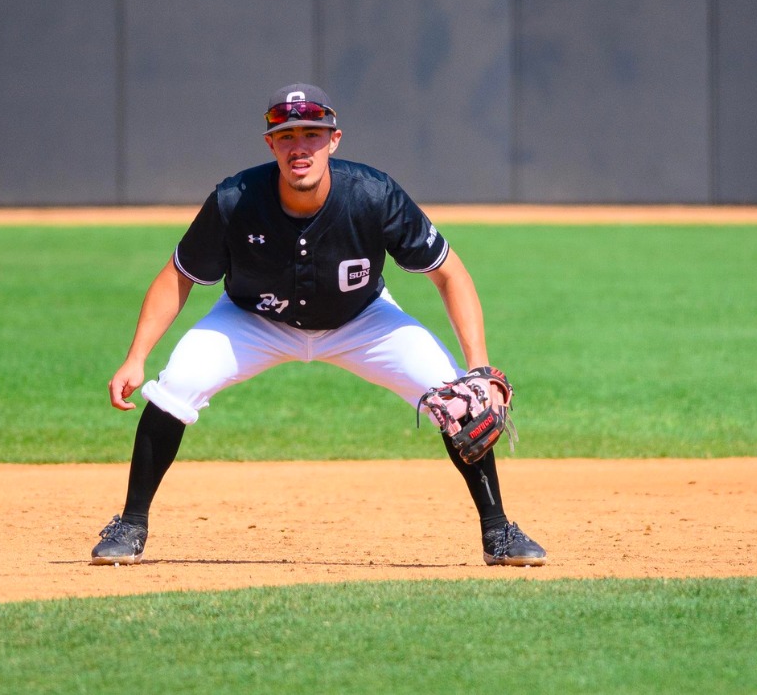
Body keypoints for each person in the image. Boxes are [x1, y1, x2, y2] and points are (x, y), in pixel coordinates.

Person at [92, 83, 546, 567]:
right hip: (253, 318)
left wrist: (477, 369)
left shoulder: (373, 195)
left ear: (334, 140)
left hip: (362, 319)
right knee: (175, 385)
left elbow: (450, 273)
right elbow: (177, 277)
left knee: (458, 398)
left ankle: (499, 532)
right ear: (270, 144)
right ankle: (130, 524)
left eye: (312, 134)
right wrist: (137, 356)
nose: (299, 146)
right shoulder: (234, 201)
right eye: (286, 136)